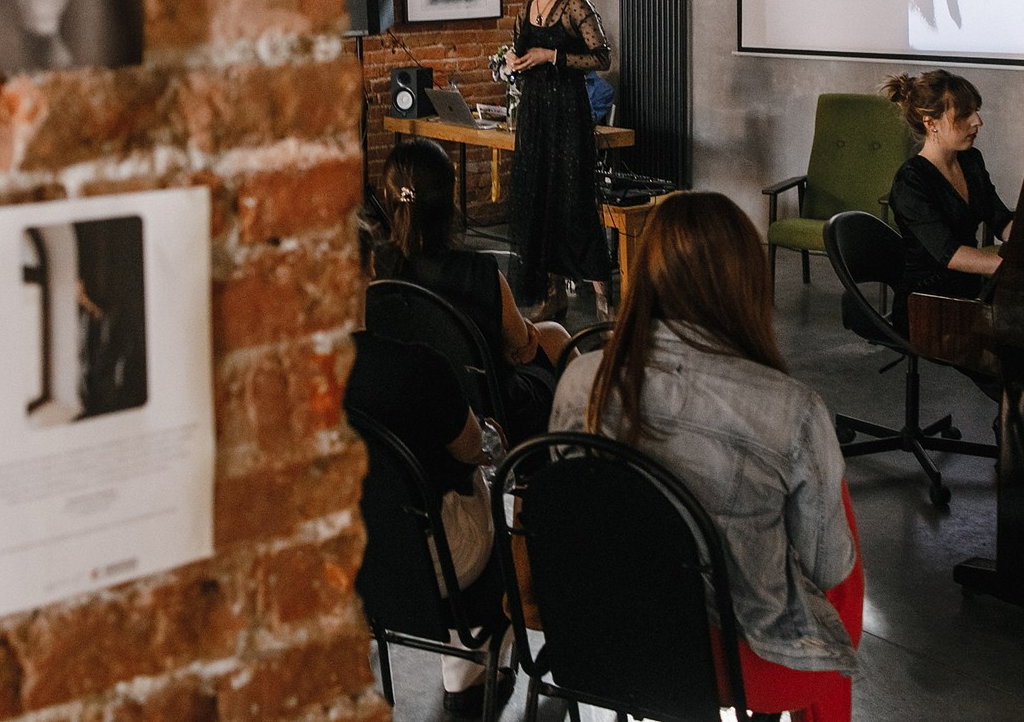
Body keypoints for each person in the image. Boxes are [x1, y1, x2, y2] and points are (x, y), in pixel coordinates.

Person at [550, 192, 862, 719]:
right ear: (746, 282)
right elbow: (826, 568)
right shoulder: (793, 410)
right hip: (742, 658)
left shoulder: (584, 379)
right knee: (840, 541)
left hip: (611, 633)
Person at [344, 327, 510, 717]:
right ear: (366, 271)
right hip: (433, 560)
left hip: (334, 559)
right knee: (484, 478)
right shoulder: (417, 366)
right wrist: (491, 439)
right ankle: (468, 679)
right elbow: (474, 450)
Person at [373, 139, 568, 444]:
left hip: (407, 418)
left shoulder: (374, 272)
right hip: (491, 415)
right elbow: (521, 346)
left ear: (386, 196)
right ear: (452, 200)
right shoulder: (480, 272)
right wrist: (514, 339)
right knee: (556, 336)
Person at [503, 0, 612, 317]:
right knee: (539, 203)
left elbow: (602, 59)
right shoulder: (524, 12)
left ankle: (603, 297)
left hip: (568, 116)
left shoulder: (575, 7)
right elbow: (517, 62)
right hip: (534, 117)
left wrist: (552, 55)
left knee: (576, 203)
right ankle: (552, 295)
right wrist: (512, 66)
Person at [882, 70, 1014, 300]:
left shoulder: (971, 160)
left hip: (969, 291)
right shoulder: (911, 180)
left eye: (976, 111)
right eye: (964, 114)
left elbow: (1000, 219)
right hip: (928, 300)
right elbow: (949, 254)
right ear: (931, 123)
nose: (977, 121)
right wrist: (1013, 267)